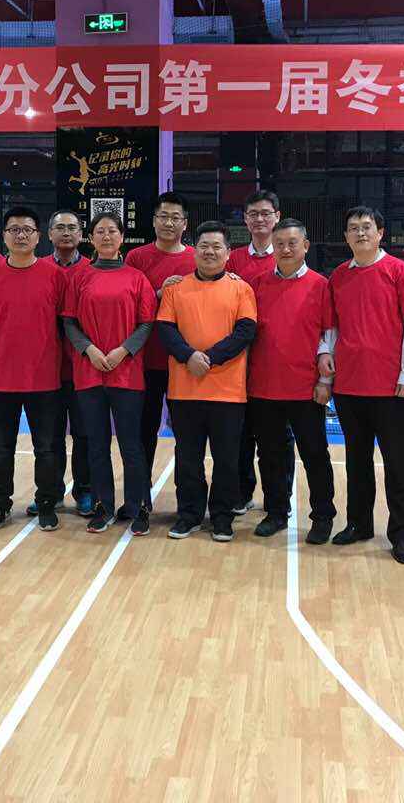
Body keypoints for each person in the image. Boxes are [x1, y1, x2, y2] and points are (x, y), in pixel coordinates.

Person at [321, 206, 404, 564]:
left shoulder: (400, 272)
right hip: (349, 387)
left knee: (398, 464)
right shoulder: (338, 276)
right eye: (354, 228)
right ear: (346, 237)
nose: (360, 233)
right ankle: (359, 524)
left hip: (392, 389)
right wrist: (326, 371)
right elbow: (331, 328)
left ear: (380, 233)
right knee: (357, 461)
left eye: (367, 227)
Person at [156, 221, 257, 543]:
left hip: (228, 392)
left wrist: (208, 359)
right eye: (204, 246)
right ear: (194, 250)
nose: (209, 252)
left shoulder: (241, 289)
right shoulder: (176, 289)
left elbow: (245, 332)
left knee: (227, 459)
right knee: (188, 458)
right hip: (184, 390)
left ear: (228, 253)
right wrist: (189, 357)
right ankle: (189, 514)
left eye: (217, 247)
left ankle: (222, 517)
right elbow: (165, 330)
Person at [0, 205, 68, 532]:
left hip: (44, 378)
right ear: (4, 236)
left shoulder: (55, 276)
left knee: (46, 448)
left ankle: (46, 504)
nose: (21, 235)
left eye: (27, 230)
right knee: (0, 449)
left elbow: (63, 324)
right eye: (14, 230)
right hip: (0, 379)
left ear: (39, 237)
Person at [63, 214, 158, 535]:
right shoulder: (79, 277)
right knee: (96, 445)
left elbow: (146, 323)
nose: (106, 236)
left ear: (122, 237)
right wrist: (89, 350)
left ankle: (139, 506)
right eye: (100, 231)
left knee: (132, 445)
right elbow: (69, 322)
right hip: (89, 372)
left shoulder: (137, 278)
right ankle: (102, 505)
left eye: (112, 231)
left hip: (127, 374)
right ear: (91, 238)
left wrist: (123, 351)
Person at [246, 219, 336, 544]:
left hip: (306, 387)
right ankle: (275, 512)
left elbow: (329, 334)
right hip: (263, 387)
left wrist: (325, 380)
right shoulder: (257, 284)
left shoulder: (320, 285)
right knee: (270, 455)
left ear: (305, 246)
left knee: (315, 454)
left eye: (292, 243)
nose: (285, 249)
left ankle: (322, 516)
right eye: (280, 243)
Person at [125, 191, 196, 513]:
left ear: (185, 223)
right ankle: (140, 497)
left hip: (185, 362)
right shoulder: (136, 258)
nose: (169, 222)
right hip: (145, 361)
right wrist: (158, 293)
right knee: (143, 432)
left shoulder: (197, 258)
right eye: (163, 216)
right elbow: (127, 305)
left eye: (175, 217)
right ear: (153, 221)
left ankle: (188, 502)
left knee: (187, 435)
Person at [227, 189, 296, 518]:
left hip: (277, 362)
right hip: (239, 362)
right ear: (245, 219)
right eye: (253, 213)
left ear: (277, 216)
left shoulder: (287, 256)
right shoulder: (233, 259)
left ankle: (280, 498)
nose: (259, 219)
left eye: (266, 213)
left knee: (278, 437)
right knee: (241, 434)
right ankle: (242, 493)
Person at [29, 209, 93, 517]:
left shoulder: (92, 270)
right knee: (49, 438)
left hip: (83, 370)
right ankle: (50, 492)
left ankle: (85, 491)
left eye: (72, 227)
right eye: (60, 227)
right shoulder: (36, 269)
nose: (66, 233)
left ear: (81, 234)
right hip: (47, 371)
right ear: (49, 234)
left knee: (84, 435)